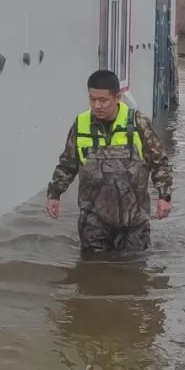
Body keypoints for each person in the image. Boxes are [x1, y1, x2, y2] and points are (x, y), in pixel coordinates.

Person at [45, 70, 172, 252]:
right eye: (92, 99)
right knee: (91, 271)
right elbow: (68, 164)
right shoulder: (81, 124)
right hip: (93, 220)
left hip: (134, 220)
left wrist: (164, 197)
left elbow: (160, 162)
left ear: (117, 97)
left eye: (103, 100)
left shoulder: (139, 124)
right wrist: (54, 195)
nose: (97, 105)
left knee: (134, 270)